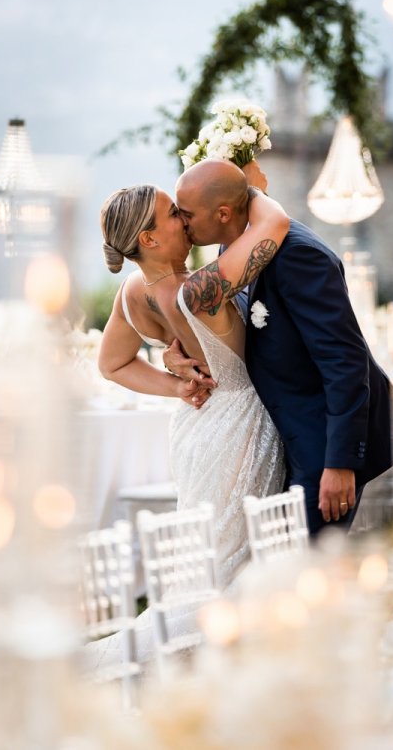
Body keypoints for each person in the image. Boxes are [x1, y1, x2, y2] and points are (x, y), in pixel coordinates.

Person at [171, 158, 393, 535]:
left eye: (187, 213)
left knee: (313, 569)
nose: (182, 221)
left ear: (224, 213)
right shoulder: (236, 250)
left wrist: (340, 462)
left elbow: (344, 359)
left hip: (321, 444)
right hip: (283, 439)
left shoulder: (298, 255)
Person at [98, 181, 289, 586]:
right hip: (239, 427)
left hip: (195, 425)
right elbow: (275, 222)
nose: (184, 218)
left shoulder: (133, 291)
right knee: (237, 556)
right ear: (148, 238)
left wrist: (176, 387)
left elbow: (112, 364)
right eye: (173, 213)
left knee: (211, 549)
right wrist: (238, 185)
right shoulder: (198, 290)